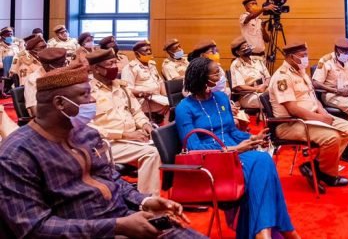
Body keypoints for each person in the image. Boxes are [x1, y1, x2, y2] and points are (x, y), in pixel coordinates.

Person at [0, 65, 205, 238]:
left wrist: (145, 201)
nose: (93, 101)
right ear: (60, 103)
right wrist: (118, 225)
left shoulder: (87, 134)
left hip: (126, 219)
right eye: (85, 95)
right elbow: (34, 228)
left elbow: (113, 180)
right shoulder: (17, 154)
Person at [176, 57, 300, 239]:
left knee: (263, 161)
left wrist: (252, 138)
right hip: (213, 162)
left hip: (235, 153)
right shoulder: (184, 108)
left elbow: (232, 131)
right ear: (203, 77)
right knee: (261, 161)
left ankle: (263, 233)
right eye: (216, 73)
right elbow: (194, 148)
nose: (220, 76)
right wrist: (235, 149)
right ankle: (285, 231)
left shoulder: (220, 97)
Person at [269, 42, 348, 193]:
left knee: (347, 128)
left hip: (310, 117)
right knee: (332, 137)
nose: (306, 59)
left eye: (306, 55)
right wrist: (320, 119)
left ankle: (316, 168)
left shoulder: (301, 71)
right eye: (302, 56)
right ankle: (327, 173)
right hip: (289, 124)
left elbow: (314, 99)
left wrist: (324, 114)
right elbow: (293, 109)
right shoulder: (282, 77)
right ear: (290, 57)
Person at [87, 48, 161, 196]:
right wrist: (124, 134)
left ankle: (143, 197)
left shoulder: (122, 87)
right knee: (152, 153)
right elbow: (87, 127)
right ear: (96, 68)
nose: (116, 67)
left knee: (163, 144)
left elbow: (136, 111)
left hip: (132, 139)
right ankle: (147, 203)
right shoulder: (87, 91)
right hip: (105, 144)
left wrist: (145, 124)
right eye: (110, 63)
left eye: (115, 62)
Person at [121, 40, 169, 117]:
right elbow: (127, 89)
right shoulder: (130, 68)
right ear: (137, 54)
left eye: (150, 50)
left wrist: (165, 97)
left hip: (158, 98)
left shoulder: (151, 65)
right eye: (146, 50)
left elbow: (160, 82)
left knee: (173, 103)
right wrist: (142, 93)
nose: (149, 52)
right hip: (143, 100)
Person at [25, 47, 68, 117]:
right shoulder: (33, 80)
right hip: (50, 120)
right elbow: (35, 111)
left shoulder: (66, 73)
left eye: (65, 63)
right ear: (48, 66)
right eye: (61, 64)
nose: (65, 67)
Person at [230, 36, 270, 110]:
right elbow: (239, 87)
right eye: (243, 48)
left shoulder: (258, 60)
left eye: (248, 46)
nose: (247, 48)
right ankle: (269, 120)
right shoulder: (236, 65)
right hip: (248, 95)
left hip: (264, 88)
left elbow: (268, 77)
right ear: (237, 52)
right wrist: (257, 89)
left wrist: (265, 85)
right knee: (268, 100)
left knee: (278, 95)